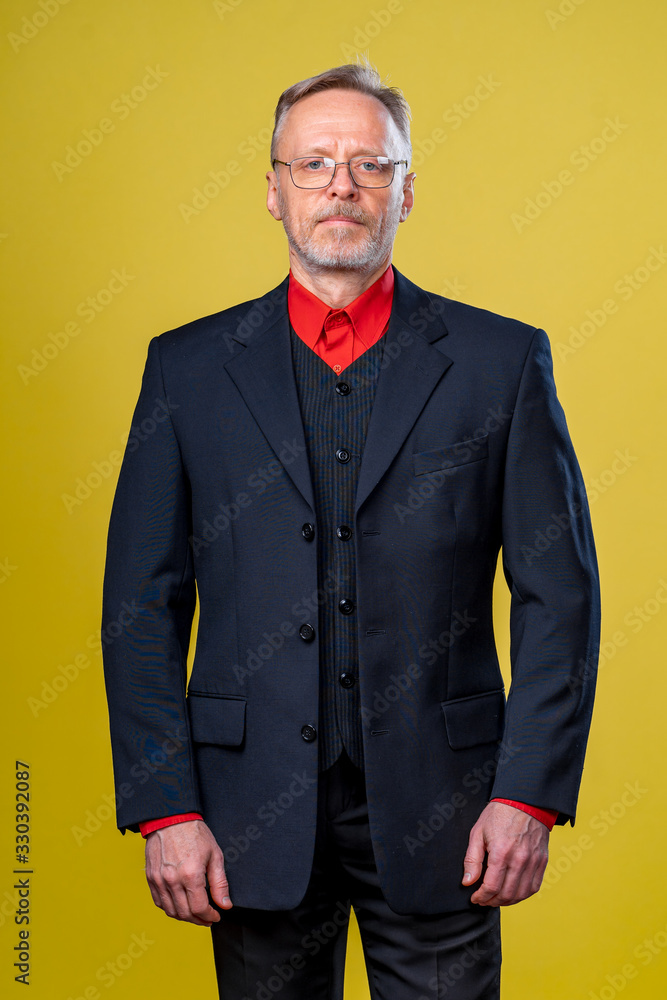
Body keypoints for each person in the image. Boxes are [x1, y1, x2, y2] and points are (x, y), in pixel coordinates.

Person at [101, 62, 600, 999]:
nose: (340, 186)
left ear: (406, 193)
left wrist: (527, 793)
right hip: (246, 811)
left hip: (446, 812)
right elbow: (141, 604)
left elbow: (558, 596)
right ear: (273, 189)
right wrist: (164, 803)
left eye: (370, 165)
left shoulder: (501, 362)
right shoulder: (188, 368)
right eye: (314, 163)